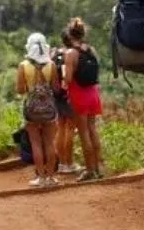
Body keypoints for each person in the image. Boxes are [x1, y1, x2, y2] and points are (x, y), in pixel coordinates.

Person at [63, 17, 105, 183]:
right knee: (92, 129)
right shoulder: (91, 50)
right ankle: (99, 167)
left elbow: (68, 78)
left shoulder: (70, 53)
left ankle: (89, 170)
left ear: (69, 34)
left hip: (78, 94)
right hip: (92, 93)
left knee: (83, 133)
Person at [15, 33, 59, 188]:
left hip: (31, 110)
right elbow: (56, 88)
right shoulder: (51, 65)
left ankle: (40, 178)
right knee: (49, 142)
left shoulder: (23, 66)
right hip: (49, 109)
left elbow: (20, 90)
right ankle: (51, 178)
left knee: (36, 143)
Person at [52, 29, 80, 175]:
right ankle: (69, 163)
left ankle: (61, 163)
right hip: (68, 93)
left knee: (60, 128)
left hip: (56, 95)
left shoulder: (55, 54)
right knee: (70, 128)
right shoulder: (71, 54)